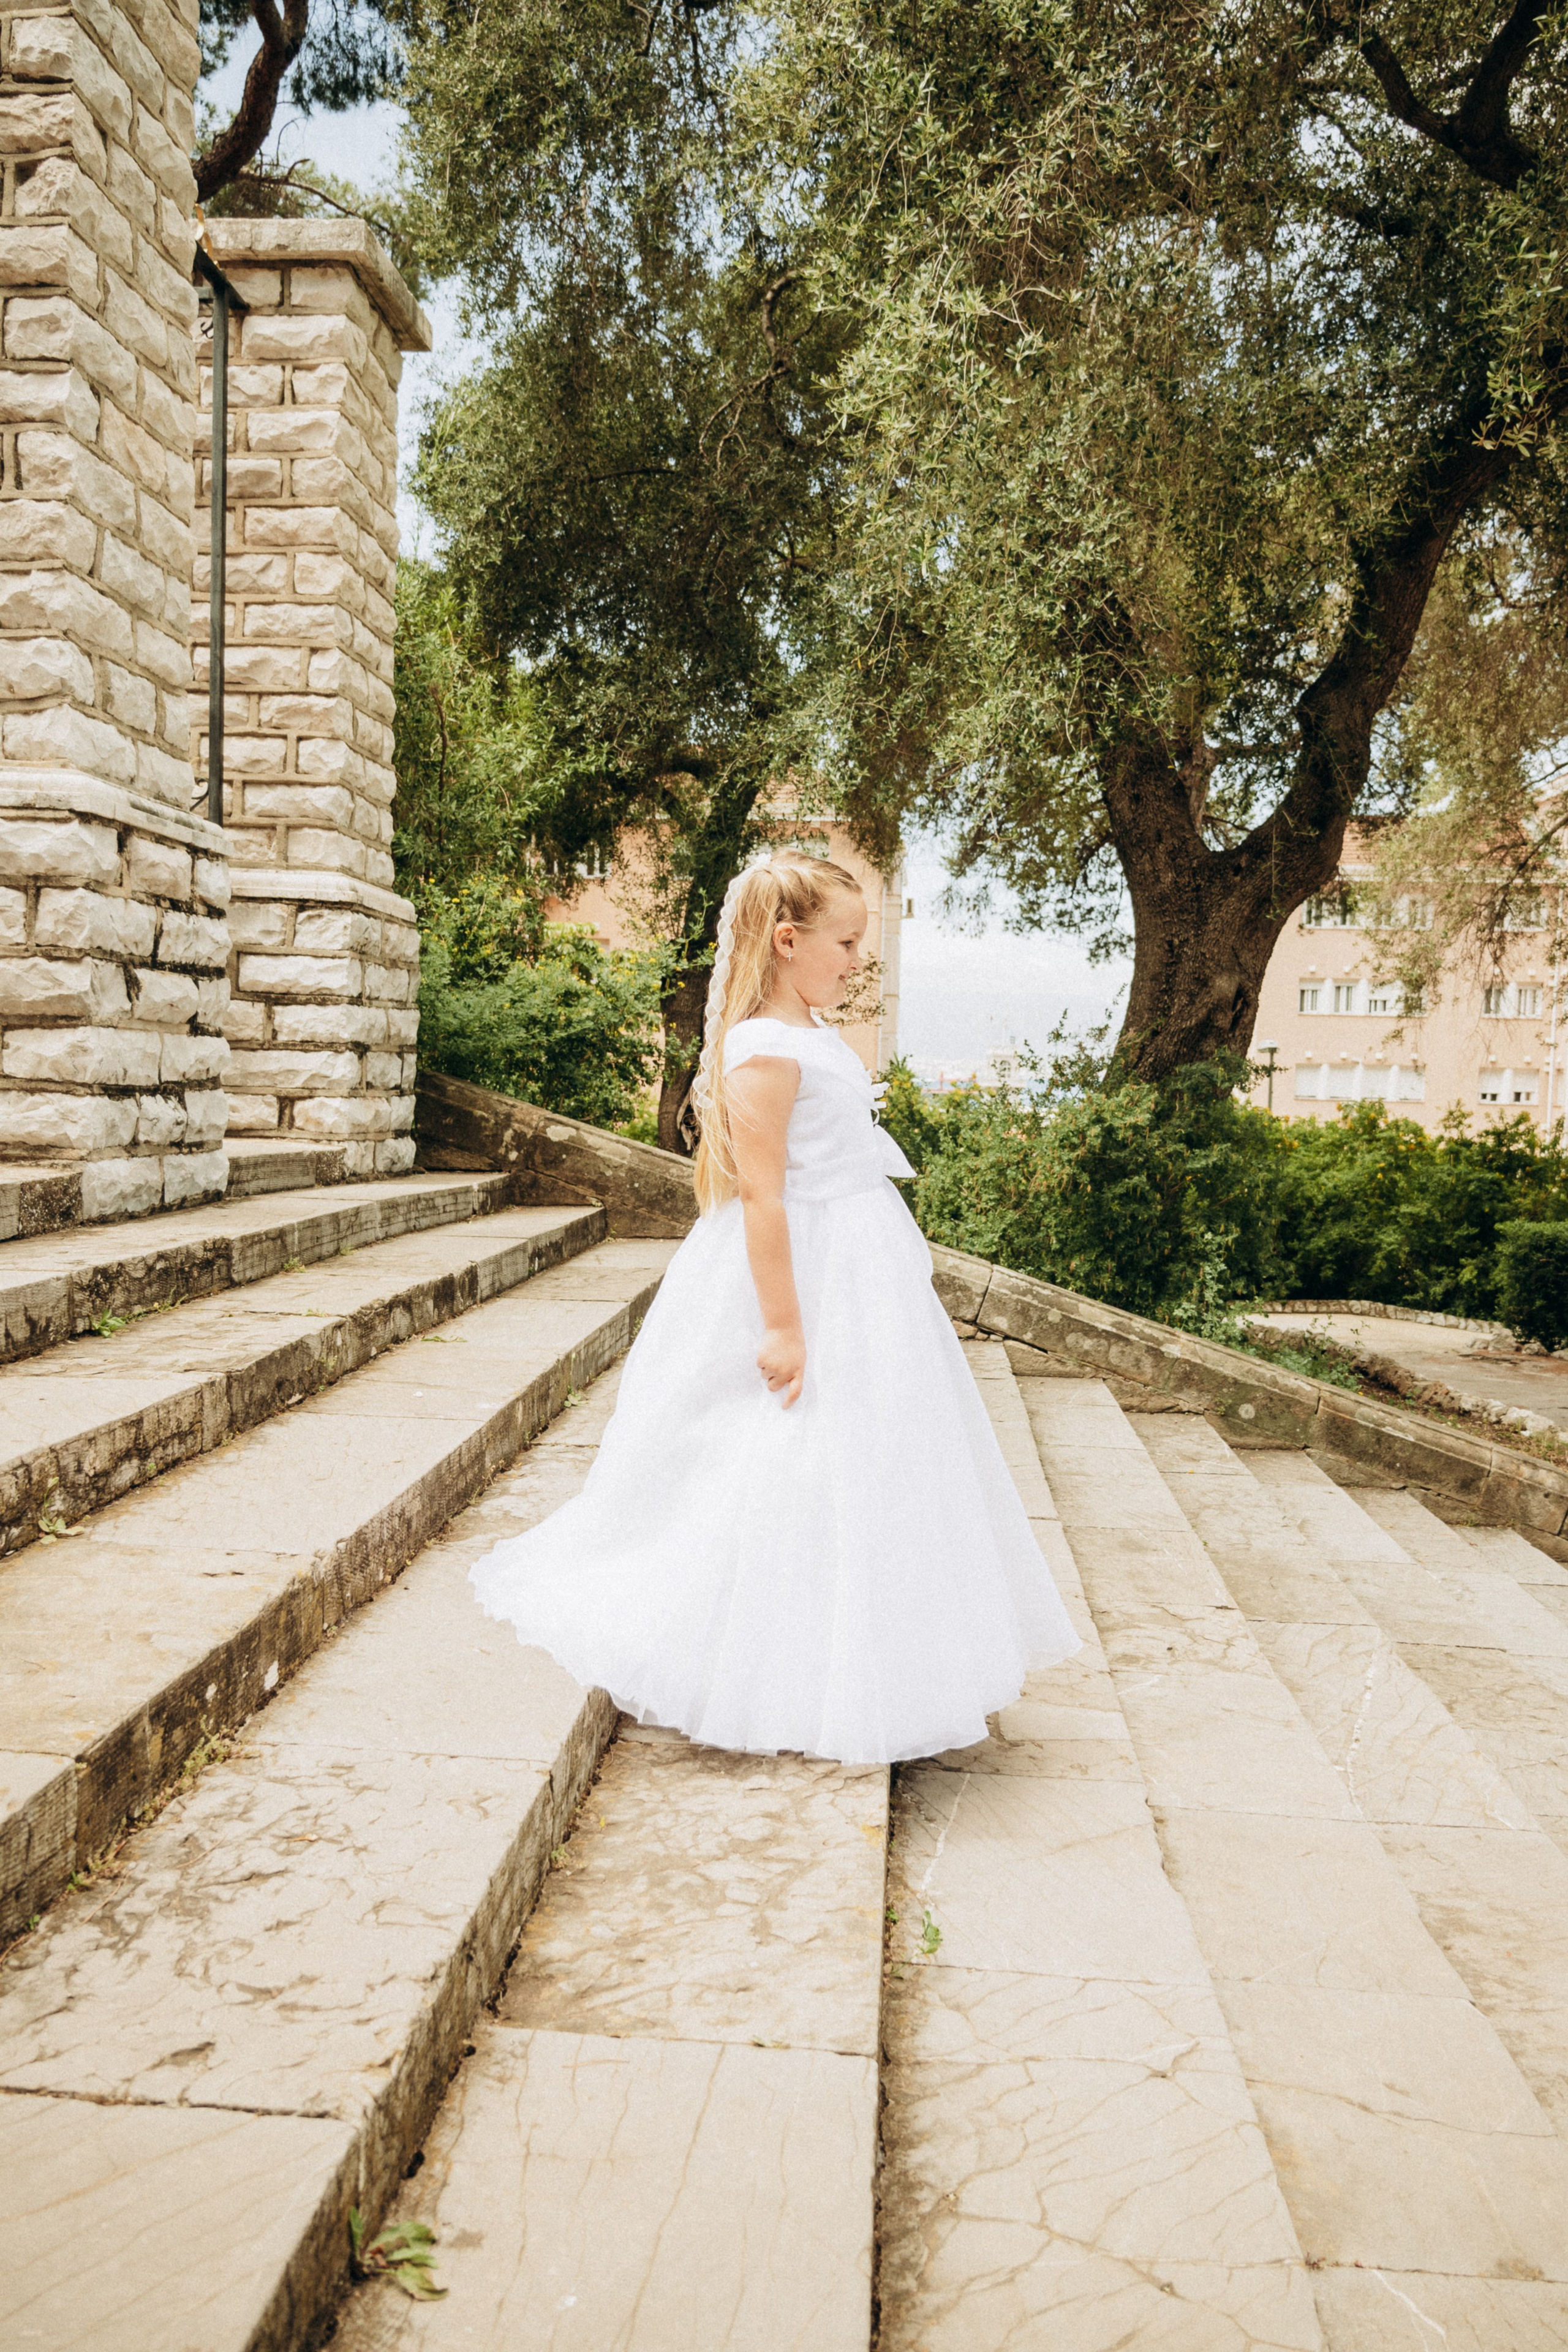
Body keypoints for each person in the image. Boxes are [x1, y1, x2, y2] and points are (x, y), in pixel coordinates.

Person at [469, 851, 1081, 1763]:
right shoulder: (764, 1047)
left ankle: (876, 1644)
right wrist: (786, 1328)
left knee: (870, 1456)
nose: (855, 960)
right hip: (806, 1272)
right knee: (787, 1447)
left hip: (859, 1271)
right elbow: (763, 1195)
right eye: (844, 942)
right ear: (788, 943)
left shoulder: (812, 1034)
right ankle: (765, 1653)